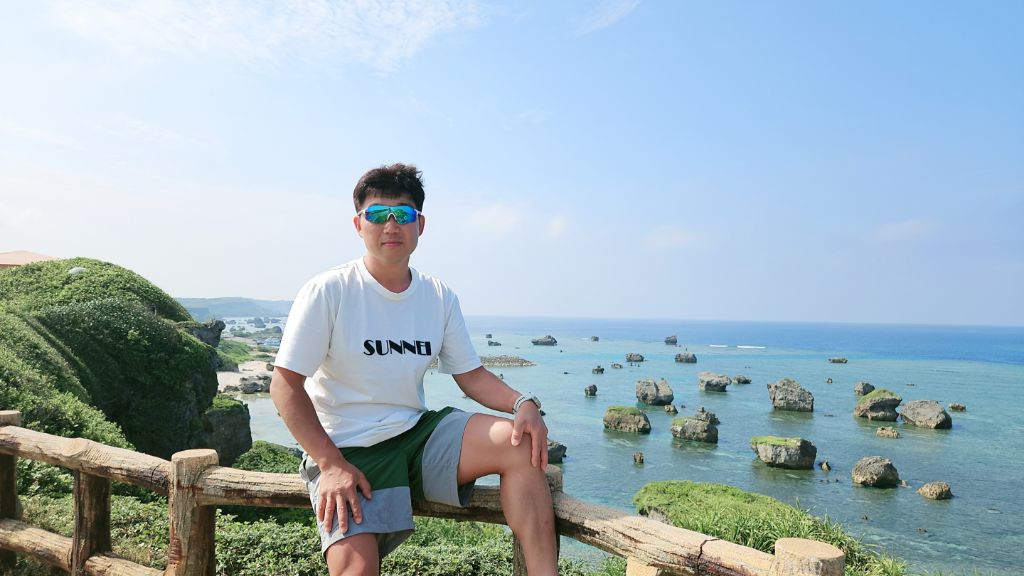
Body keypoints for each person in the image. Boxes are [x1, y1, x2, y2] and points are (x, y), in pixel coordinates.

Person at [269, 163, 558, 576]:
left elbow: (471, 376)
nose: (391, 225)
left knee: (520, 444)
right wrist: (329, 465)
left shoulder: (438, 296)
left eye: (402, 214)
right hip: (345, 448)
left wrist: (522, 402)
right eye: (377, 214)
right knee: (356, 569)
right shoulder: (329, 290)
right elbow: (284, 386)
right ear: (358, 225)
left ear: (420, 225)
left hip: (415, 435)